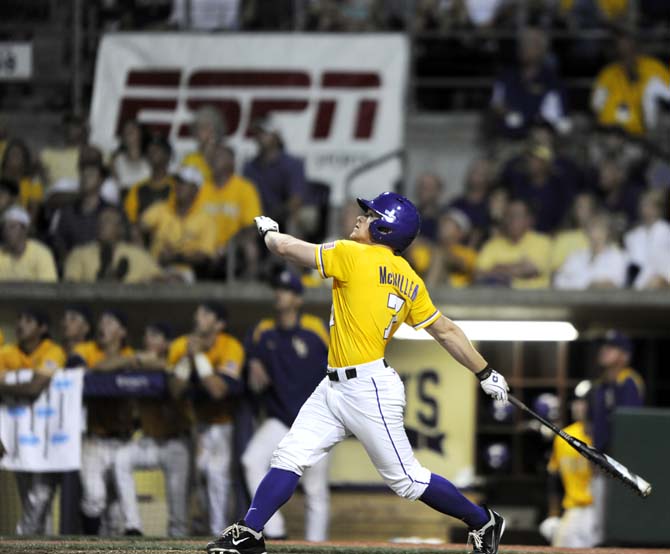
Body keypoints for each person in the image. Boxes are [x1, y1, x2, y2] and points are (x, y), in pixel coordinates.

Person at [206, 191, 508, 554]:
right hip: (334, 385)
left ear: (385, 228)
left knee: (407, 480)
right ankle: (249, 532)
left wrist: (268, 231)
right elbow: (445, 330)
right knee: (288, 456)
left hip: (368, 388)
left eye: (369, 214)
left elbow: (285, 248)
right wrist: (484, 371)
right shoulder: (408, 275)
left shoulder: (354, 253)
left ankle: (482, 520)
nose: (360, 217)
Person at [242, 270, 330, 541]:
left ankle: (316, 546)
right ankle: (275, 530)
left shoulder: (315, 328)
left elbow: (338, 361)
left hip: (315, 421)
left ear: (298, 299)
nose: (280, 294)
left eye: (287, 290)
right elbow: (251, 359)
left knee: (315, 489)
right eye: (278, 289)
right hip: (280, 418)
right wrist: (253, 363)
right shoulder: (263, 330)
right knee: (251, 460)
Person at [169, 302, 244, 535]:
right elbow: (174, 390)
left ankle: (219, 533)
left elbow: (218, 390)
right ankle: (202, 531)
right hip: (196, 425)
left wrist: (199, 357)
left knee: (218, 478)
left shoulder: (230, 345)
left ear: (219, 323)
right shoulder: (182, 345)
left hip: (225, 424)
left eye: (205, 314)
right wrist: (186, 359)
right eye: (198, 312)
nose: (197, 317)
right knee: (199, 478)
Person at [113, 322, 192, 537]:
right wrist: (137, 361)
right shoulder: (138, 363)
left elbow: (177, 386)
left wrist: (154, 364)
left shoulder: (179, 361)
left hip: (175, 443)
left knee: (178, 515)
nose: (148, 340)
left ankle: (179, 545)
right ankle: (132, 526)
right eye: (147, 336)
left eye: (155, 336)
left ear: (167, 342)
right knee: (121, 458)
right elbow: (108, 366)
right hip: (148, 442)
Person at [0, 309, 67, 535]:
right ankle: (37, 545)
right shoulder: (7, 352)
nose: (20, 324)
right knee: (29, 496)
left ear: (42, 328)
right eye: (19, 319)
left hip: (50, 439)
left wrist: (9, 385)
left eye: (28, 320)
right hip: (19, 437)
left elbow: (35, 387)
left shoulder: (53, 351)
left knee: (41, 495)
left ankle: (22, 539)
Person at [73, 309, 136, 535]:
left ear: (122, 331)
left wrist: (127, 362)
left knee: (117, 512)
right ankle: (88, 546)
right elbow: (74, 366)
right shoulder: (87, 350)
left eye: (110, 322)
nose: (103, 325)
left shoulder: (131, 354)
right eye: (101, 321)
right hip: (94, 440)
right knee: (93, 498)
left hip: (123, 441)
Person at [543, 381, 599, 548]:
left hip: (599, 512)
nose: (577, 406)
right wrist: (553, 515)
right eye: (576, 401)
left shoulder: (604, 435)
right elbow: (554, 478)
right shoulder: (564, 436)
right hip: (573, 511)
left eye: (583, 402)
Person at [196, 143, 261, 279]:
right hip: (203, 247)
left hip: (232, 248)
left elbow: (251, 226)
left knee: (250, 246)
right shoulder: (202, 188)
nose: (213, 160)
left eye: (218, 157)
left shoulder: (245, 188)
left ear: (231, 161)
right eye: (212, 157)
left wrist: (228, 246)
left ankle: (248, 287)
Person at [490, 27, 569, 139]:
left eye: (532, 44)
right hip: (509, 136)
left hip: (541, 137)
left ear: (543, 50)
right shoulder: (506, 76)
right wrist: (506, 113)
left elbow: (555, 113)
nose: (525, 48)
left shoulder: (552, 80)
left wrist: (540, 126)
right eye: (523, 44)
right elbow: (496, 103)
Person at [140, 165, 216, 280]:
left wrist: (175, 258)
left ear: (195, 190)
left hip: (186, 272)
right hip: (154, 268)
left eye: (184, 183)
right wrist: (142, 256)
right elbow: (139, 228)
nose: (178, 186)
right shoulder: (160, 209)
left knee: (172, 279)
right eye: (178, 182)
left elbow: (204, 256)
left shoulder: (206, 219)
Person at [591, 28, 670, 136]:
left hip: (644, 132)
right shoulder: (608, 73)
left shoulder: (654, 68)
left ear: (636, 49)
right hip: (611, 131)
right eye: (622, 53)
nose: (627, 57)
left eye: (629, 51)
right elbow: (596, 105)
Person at [243, 116, 308, 234]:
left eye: (264, 133)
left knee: (295, 218)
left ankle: (292, 250)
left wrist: (273, 215)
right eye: (257, 134)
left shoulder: (292, 164)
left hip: (283, 216)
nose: (259, 137)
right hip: (256, 217)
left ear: (276, 136)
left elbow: (296, 200)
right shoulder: (250, 167)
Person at [64, 206, 163, 283]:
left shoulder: (137, 255)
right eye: (100, 221)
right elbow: (70, 285)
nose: (102, 225)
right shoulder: (80, 254)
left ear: (120, 229)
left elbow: (160, 278)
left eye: (107, 221)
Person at [475, 199, 552, 288]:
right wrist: (518, 266)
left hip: (535, 298)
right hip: (499, 297)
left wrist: (497, 267)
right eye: (508, 215)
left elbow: (531, 270)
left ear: (529, 220)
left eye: (517, 215)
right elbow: (479, 275)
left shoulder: (542, 242)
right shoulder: (492, 244)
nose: (512, 220)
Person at [554, 212, 627, 290]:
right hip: (576, 300)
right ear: (586, 233)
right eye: (591, 229)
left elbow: (617, 283)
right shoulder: (576, 256)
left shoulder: (617, 256)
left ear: (607, 232)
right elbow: (559, 281)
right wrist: (587, 285)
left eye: (600, 229)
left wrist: (595, 285)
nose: (595, 234)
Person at [123, 133, 175, 226]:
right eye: (149, 150)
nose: (152, 152)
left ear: (168, 155)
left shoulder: (178, 186)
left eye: (157, 149)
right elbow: (130, 221)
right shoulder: (137, 189)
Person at [623, 189, 670, 289]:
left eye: (650, 206)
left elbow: (664, 262)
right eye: (644, 205)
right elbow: (633, 263)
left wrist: (662, 279)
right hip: (638, 286)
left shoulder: (665, 231)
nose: (646, 209)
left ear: (659, 209)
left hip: (663, 283)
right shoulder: (634, 235)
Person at [0, 206, 58, 282]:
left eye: (12, 227)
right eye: (4, 228)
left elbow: (49, 289)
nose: (6, 232)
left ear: (24, 230)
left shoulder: (41, 254)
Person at [425, 208, 477, 288]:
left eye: (448, 224)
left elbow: (463, 264)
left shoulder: (467, 252)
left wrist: (439, 252)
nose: (443, 227)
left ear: (460, 232)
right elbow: (416, 259)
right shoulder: (429, 250)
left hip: (458, 295)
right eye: (442, 224)